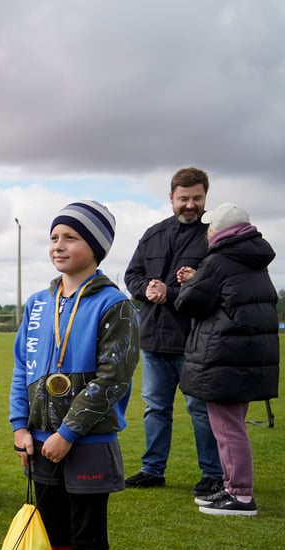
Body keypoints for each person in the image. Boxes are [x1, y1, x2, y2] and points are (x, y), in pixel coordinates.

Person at [8, 201, 140, 550]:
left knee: (87, 538)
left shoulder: (114, 304)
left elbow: (113, 379)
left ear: (97, 248)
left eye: (71, 237)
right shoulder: (39, 304)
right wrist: (20, 426)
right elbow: (22, 368)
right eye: (54, 237)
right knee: (56, 536)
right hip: (39, 442)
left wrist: (67, 432)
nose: (58, 246)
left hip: (87, 444)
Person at [122, 168, 223, 496]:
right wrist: (145, 289)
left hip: (196, 341)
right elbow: (132, 274)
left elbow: (219, 287)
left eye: (197, 198)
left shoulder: (215, 236)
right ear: (171, 198)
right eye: (184, 199)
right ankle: (153, 470)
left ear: (206, 197)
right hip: (153, 339)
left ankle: (212, 474)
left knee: (200, 409)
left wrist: (175, 292)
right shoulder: (153, 234)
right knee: (155, 408)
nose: (190, 205)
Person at [174, 204, 278, 517]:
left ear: (219, 231)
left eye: (209, 229)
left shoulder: (219, 259)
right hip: (247, 356)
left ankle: (241, 496)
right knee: (233, 424)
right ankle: (232, 486)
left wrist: (191, 282)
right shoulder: (253, 259)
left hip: (225, 356)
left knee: (228, 428)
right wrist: (200, 278)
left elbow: (190, 301)